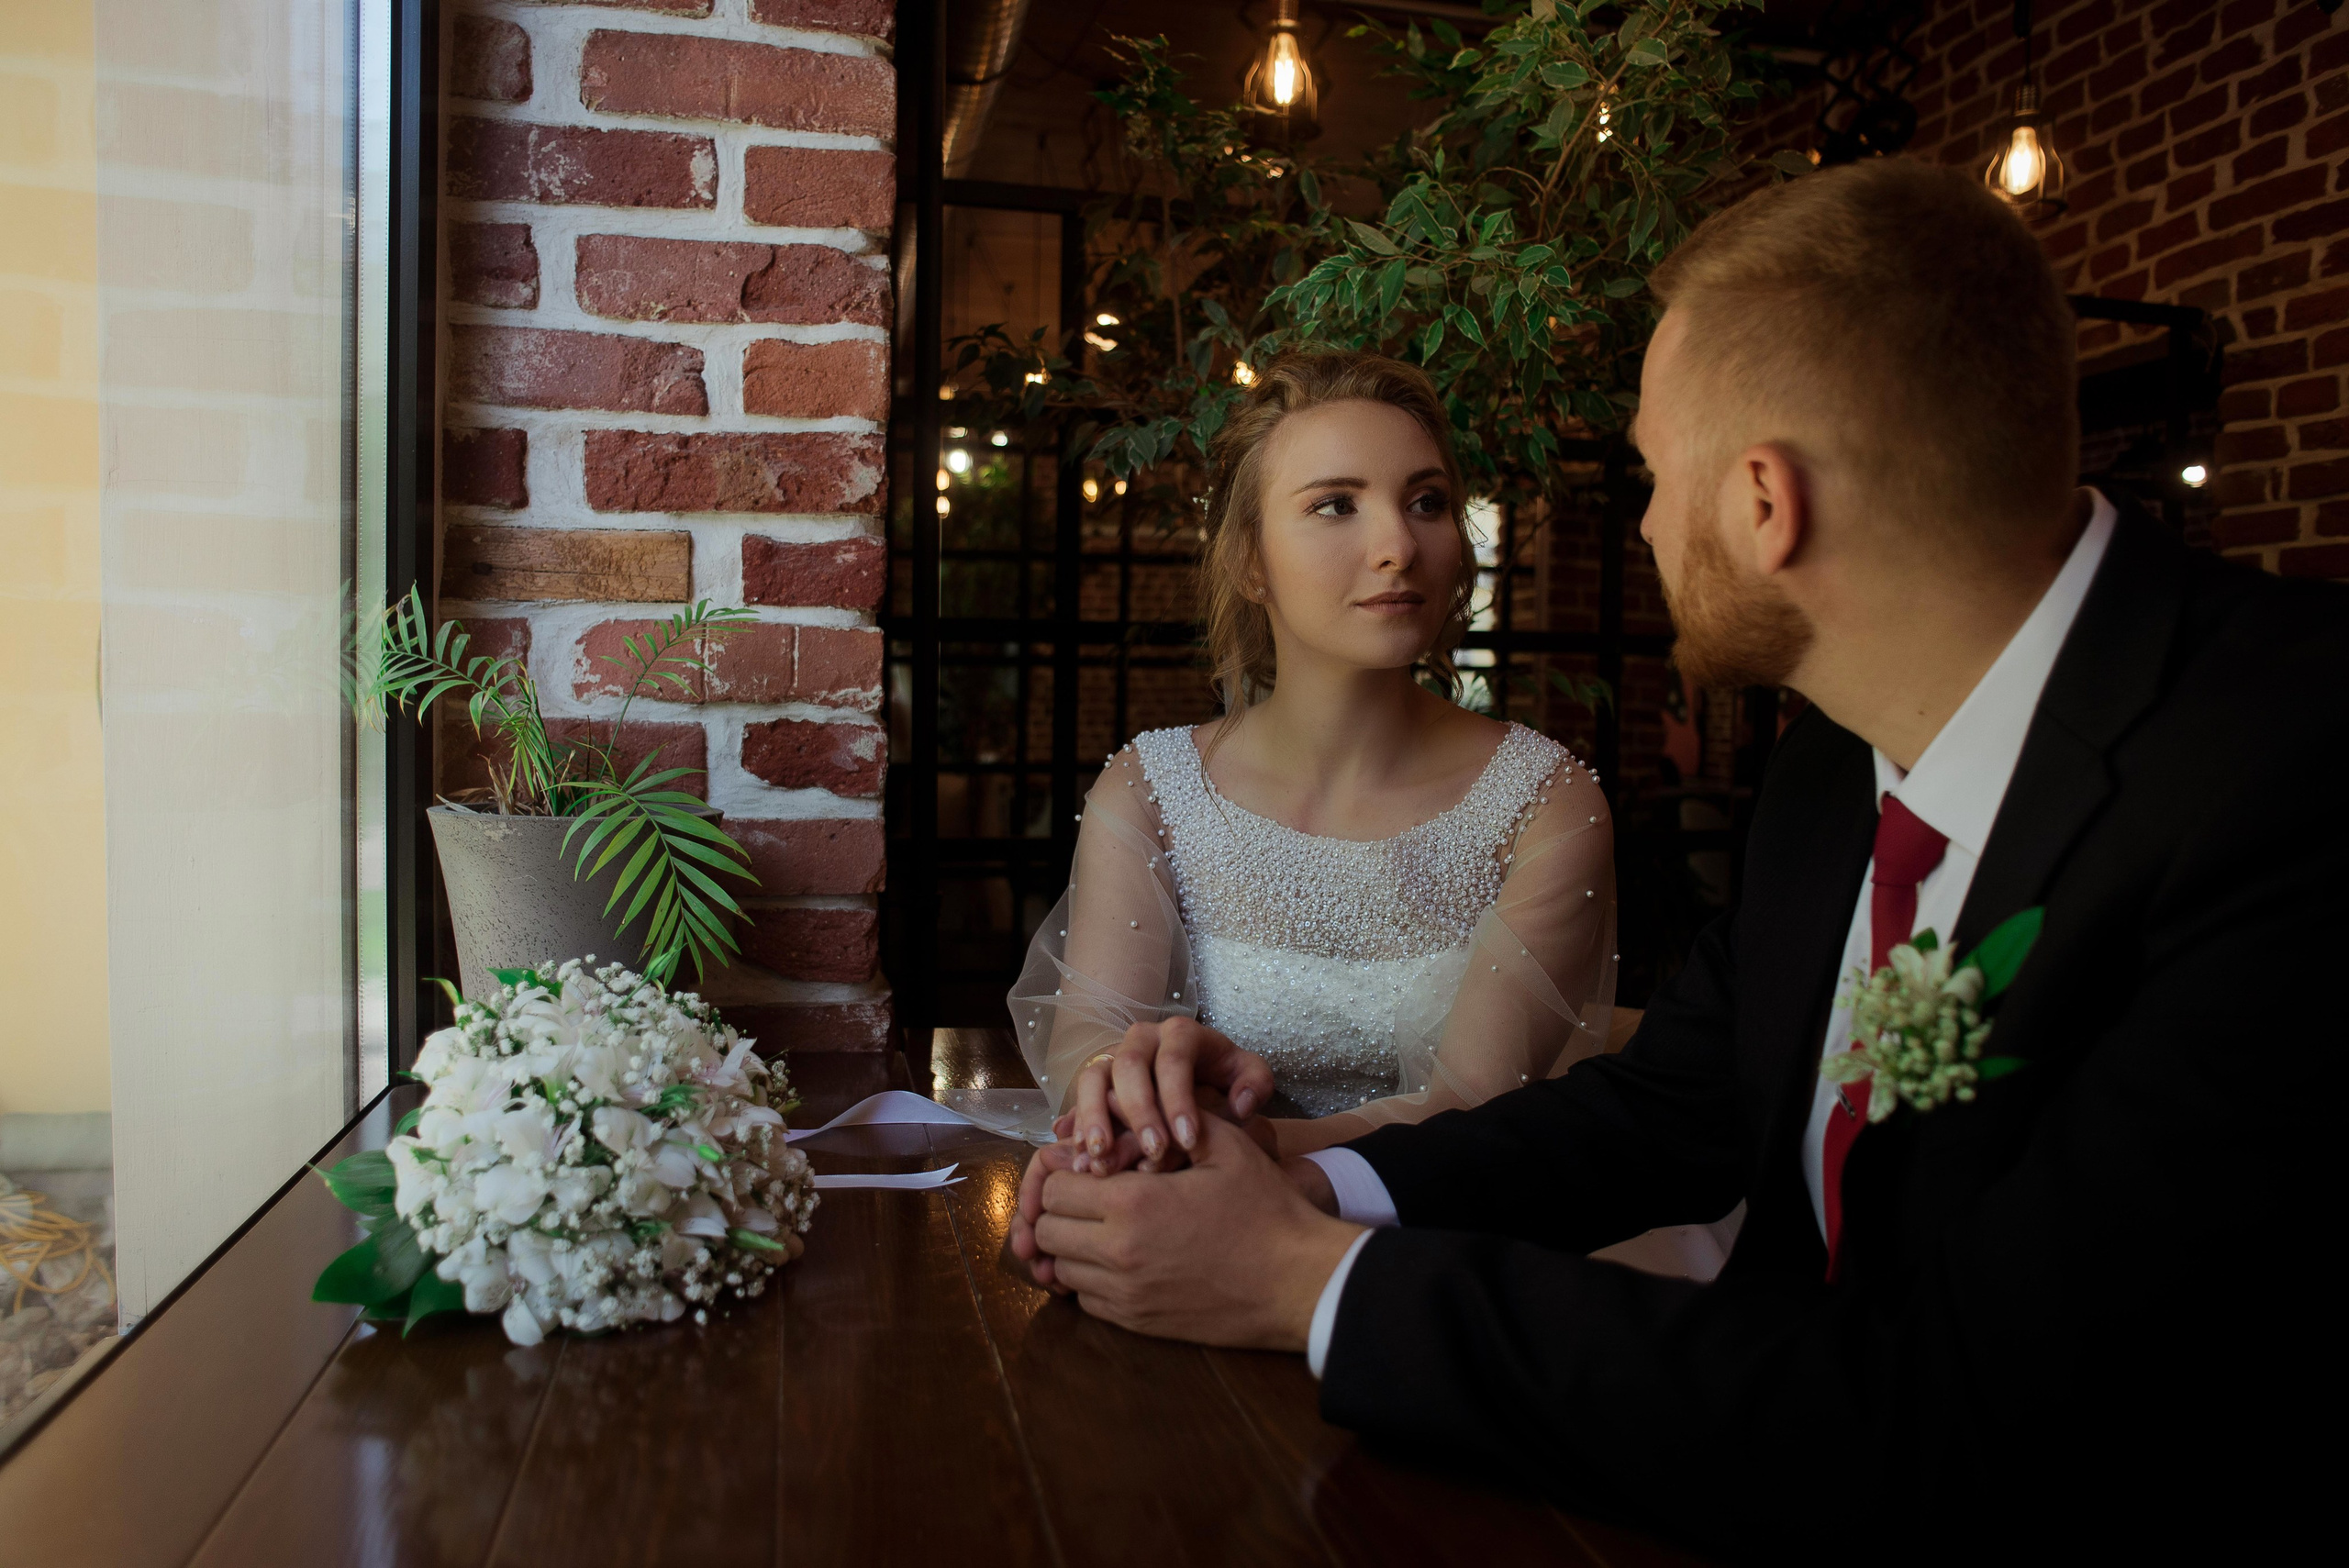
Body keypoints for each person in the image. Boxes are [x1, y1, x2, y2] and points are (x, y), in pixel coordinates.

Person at [1012, 157, 2345, 1557]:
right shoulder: (1837, 761)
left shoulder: (2297, 777)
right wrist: (1305, 1180)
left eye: (1653, 476)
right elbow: (1667, 1108)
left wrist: (1311, 1287)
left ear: (1765, 504)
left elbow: (1974, 1412)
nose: (1642, 524)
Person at [1004, 353, 1624, 1166]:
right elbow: (1092, 1027)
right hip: (1183, 1201)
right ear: (1250, 562)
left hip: (1441, 1241)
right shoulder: (1153, 789)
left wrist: (1229, 1146)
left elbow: (1468, 1111)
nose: (1399, 544)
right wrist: (1114, 1094)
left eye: (1427, 502)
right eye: (1336, 505)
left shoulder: (1545, 801)